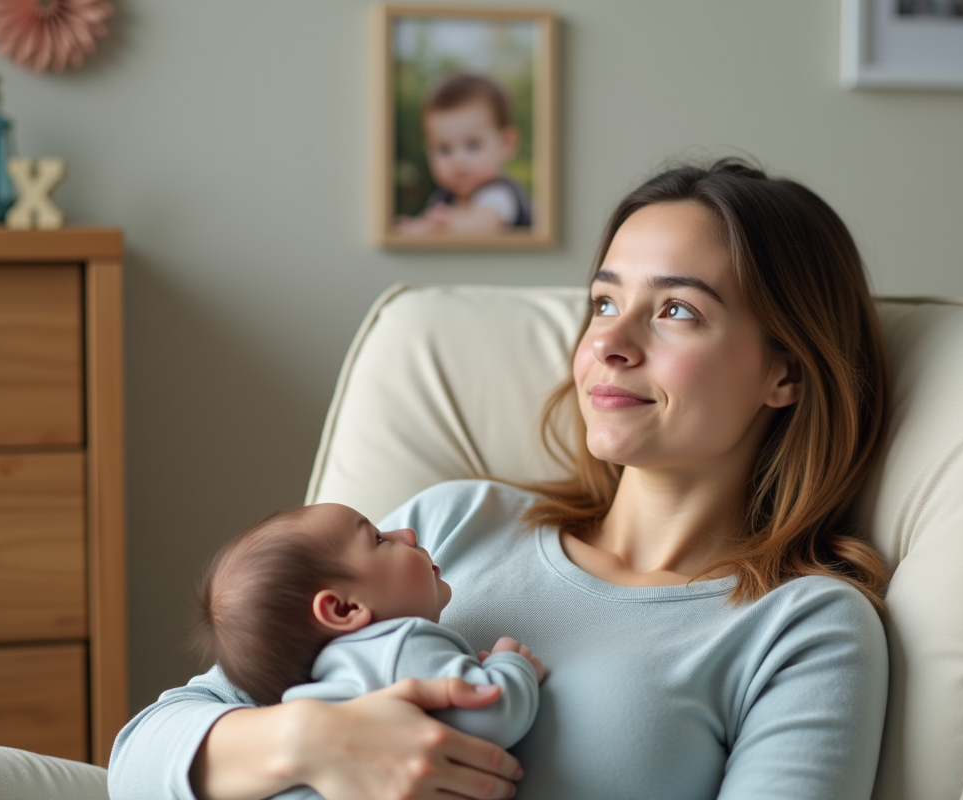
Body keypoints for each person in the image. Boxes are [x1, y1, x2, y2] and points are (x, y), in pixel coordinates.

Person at [109, 158, 891, 800]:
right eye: (604, 301)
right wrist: (318, 740)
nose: (609, 342)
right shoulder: (450, 524)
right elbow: (143, 757)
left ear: (784, 372)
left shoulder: (802, 628)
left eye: (678, 310)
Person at [191, 503, 544, 800]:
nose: (407, 534)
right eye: (378, 539)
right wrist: (512, 666)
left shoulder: (310, 693)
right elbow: (490, 716)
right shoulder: (399, 644)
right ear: (344, 609)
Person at [395, 73, 533, 237]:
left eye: (473, 145)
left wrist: (433, 227)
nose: (458, 160)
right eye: (444, 149)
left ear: (506, 144)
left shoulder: (500, 193)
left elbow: (484, 224)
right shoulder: (442, 200)